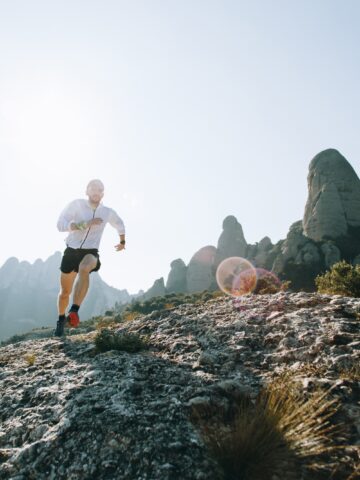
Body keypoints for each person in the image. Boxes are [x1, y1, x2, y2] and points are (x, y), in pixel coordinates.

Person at [54, 179, 126, 336]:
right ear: (87, 191)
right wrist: (84, 224)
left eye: (100, 189)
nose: (96, 191)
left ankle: (74, 311)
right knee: (65, 292)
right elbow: (60, 224)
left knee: (85, 267)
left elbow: (120, 224)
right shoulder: (76, 204)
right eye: (93, 188)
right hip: (71, 251)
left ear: (103, 193)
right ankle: (61, 320)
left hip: (91, 251)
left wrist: (122, 241)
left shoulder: (107, 212)